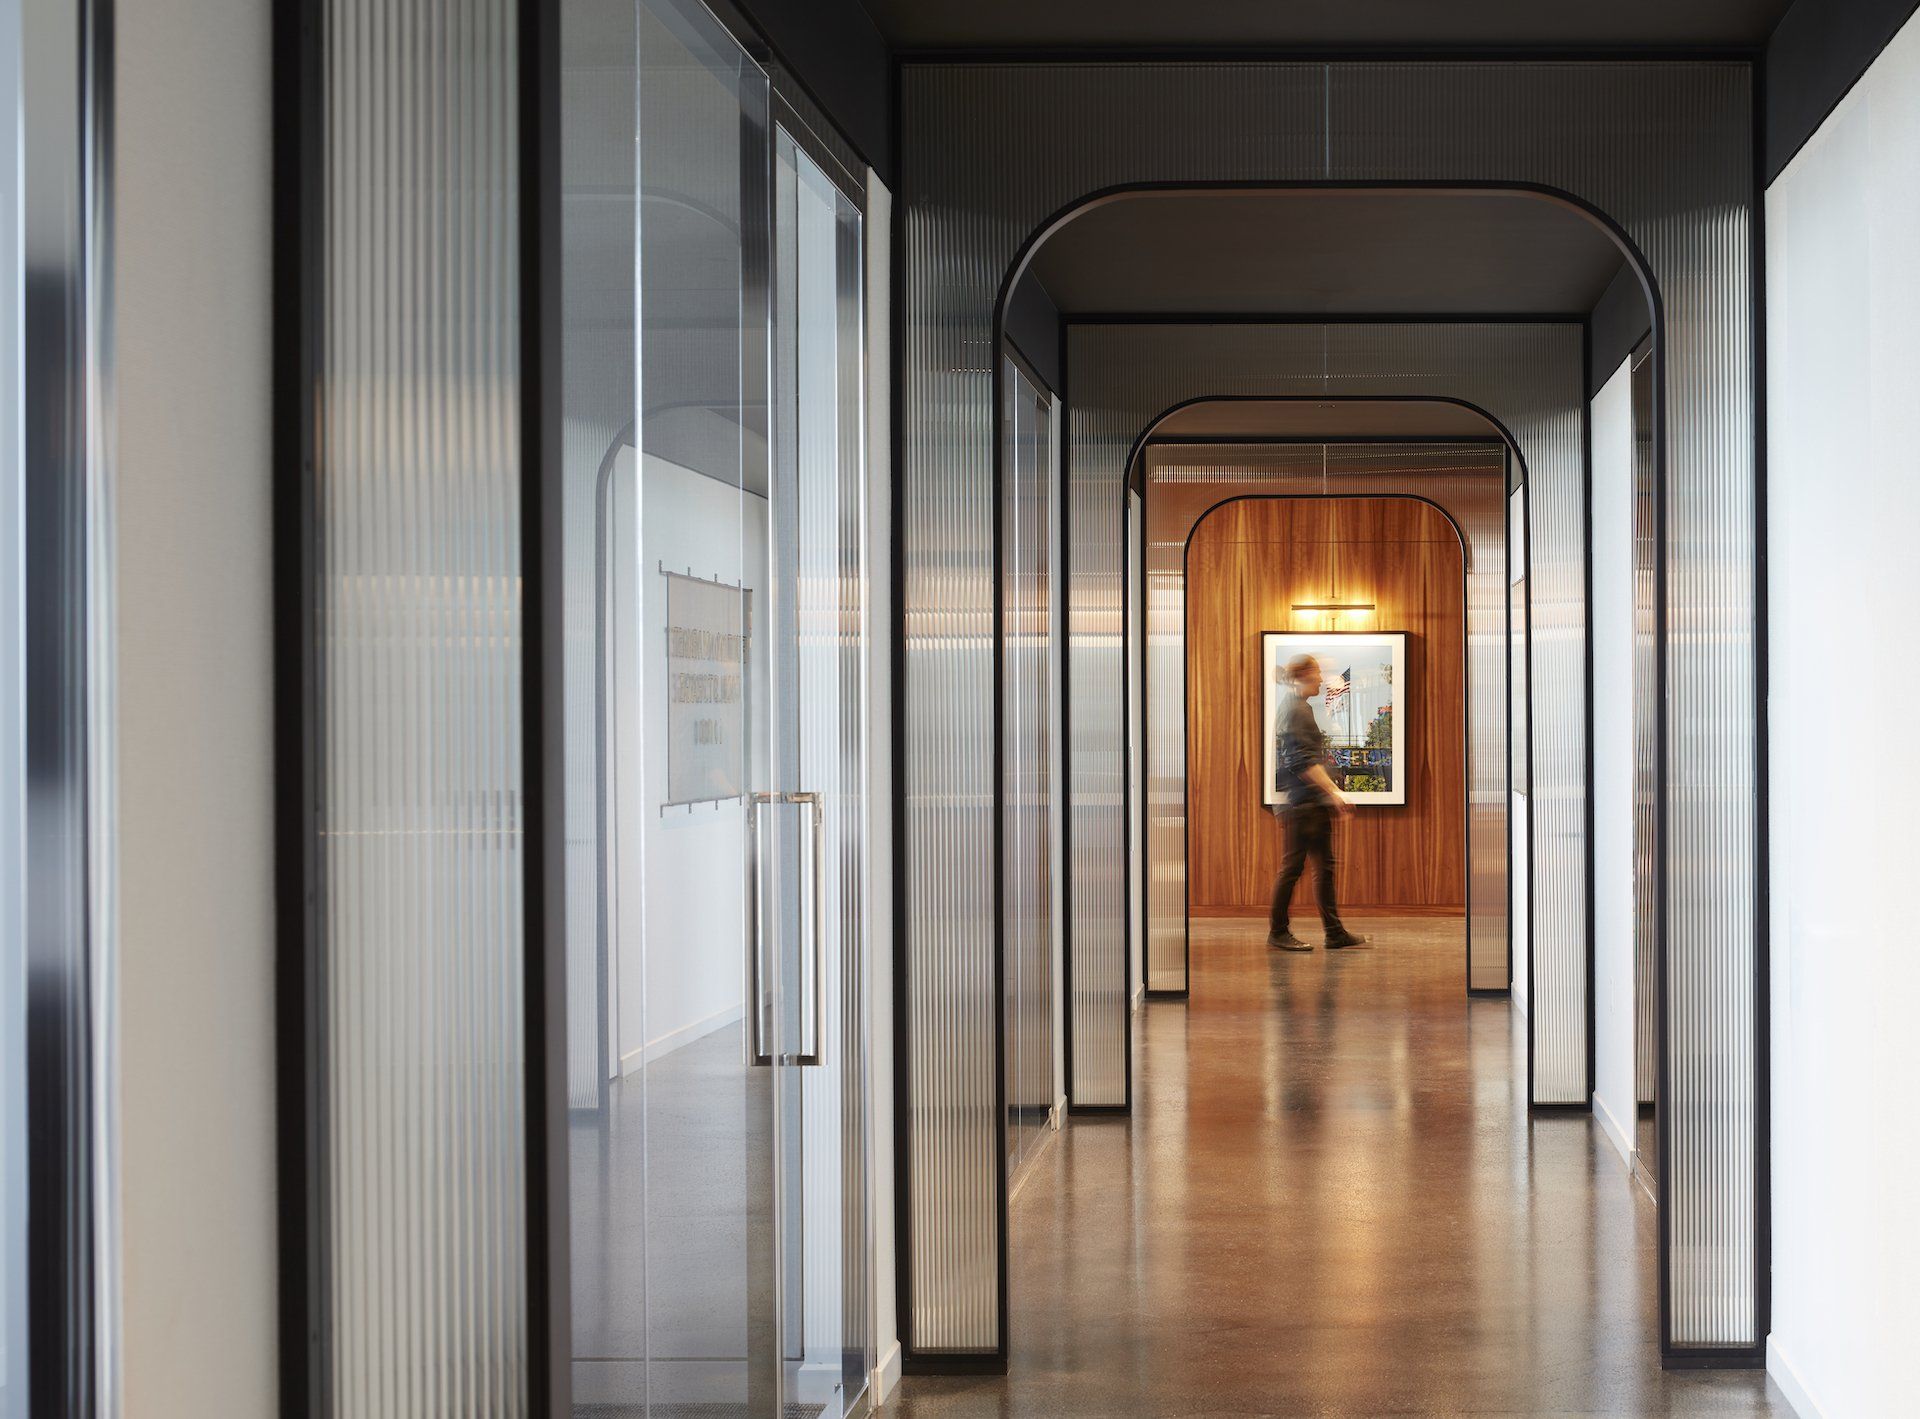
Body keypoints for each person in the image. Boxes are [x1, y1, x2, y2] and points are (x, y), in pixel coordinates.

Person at [1268, 653, 1369, 952]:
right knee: (1293, 868)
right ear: (1304, 677)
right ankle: (1278, 931)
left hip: (1309, 803)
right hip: (1303, 805)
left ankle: (1334, 932)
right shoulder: (1297, 710)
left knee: (1322, 868)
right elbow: (1303, 762)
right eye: (1317, 674)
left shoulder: (1296, 707)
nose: (1322, 679)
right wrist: (1335, 793)